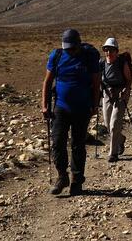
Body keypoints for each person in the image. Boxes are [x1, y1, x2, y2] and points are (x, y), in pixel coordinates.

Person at [41, 28, 101, 196]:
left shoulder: (88, 57)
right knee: (58, 141)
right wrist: (44, 105)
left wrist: (95, 105)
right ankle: (62, 176)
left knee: (78, 144)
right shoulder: (57, 56)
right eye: (67, 48)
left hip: (82, 108)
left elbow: (96, 83)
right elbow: (47, 82)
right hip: (61, 107)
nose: (70, 51)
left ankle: (76, 179)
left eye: (72, 48)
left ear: (78, 45)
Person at [100, 37, 132, 163]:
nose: (108, 52)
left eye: (111, 50)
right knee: (108, 124)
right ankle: (121, 139)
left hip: (120, 94)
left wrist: (126, 91)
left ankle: (113, 153)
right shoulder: (102, 64)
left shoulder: (121, 63)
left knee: (114, 125)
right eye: (106, 50)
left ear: (116, 51)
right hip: (107, 94)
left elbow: (129, 80)